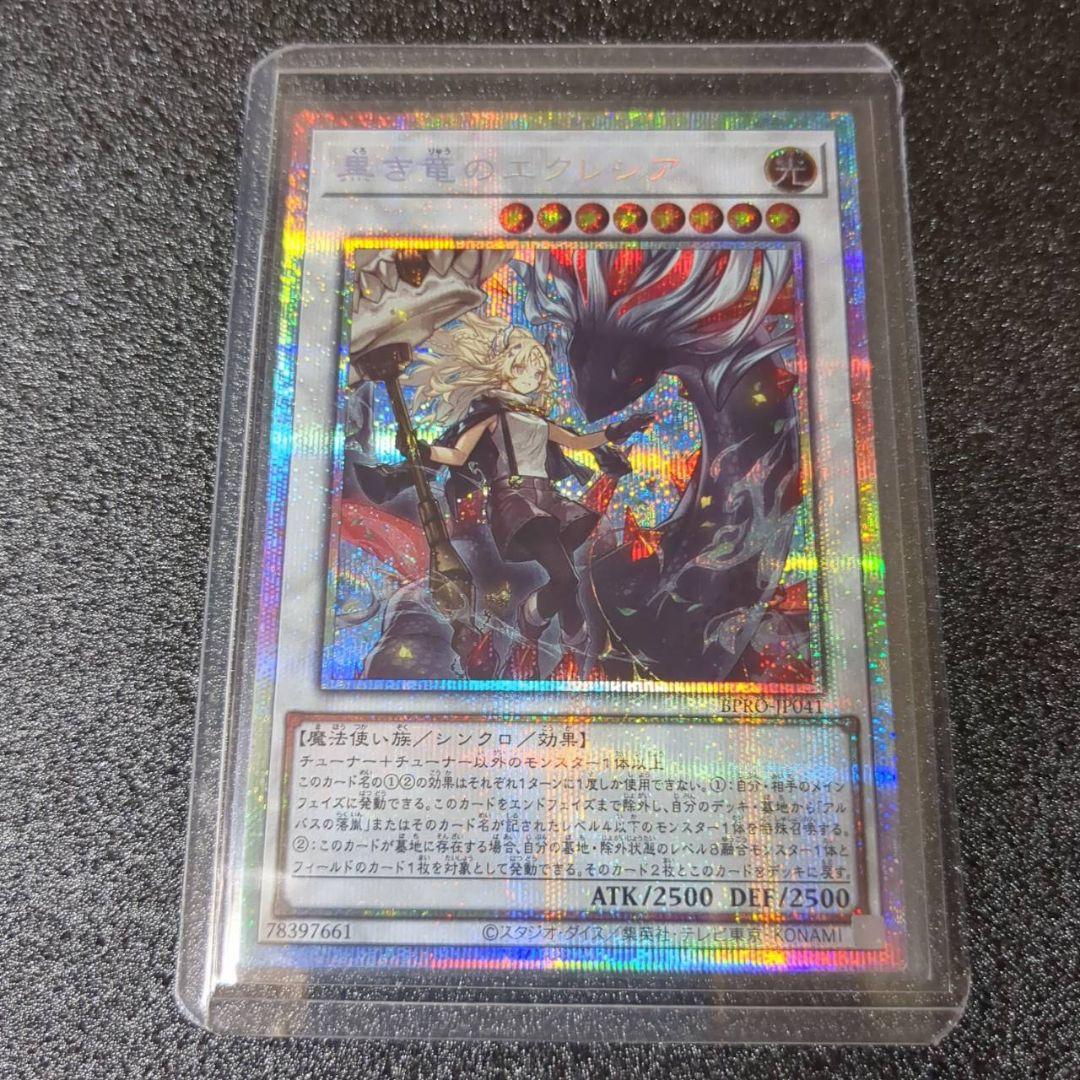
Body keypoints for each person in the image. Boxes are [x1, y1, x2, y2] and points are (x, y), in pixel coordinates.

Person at [401, 313, 652, 654]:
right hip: (515, 500)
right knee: (565, 577)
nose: (531, 377)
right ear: (505, 368)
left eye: (537, 371)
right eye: (522, 368)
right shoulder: (492, 415)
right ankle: (533, 616)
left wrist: (619, 430)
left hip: (549, 498)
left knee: (567, 573)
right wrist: (423, 451)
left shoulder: (537, 419)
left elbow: (577, 443)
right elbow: (458, 455)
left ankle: (571, 631)